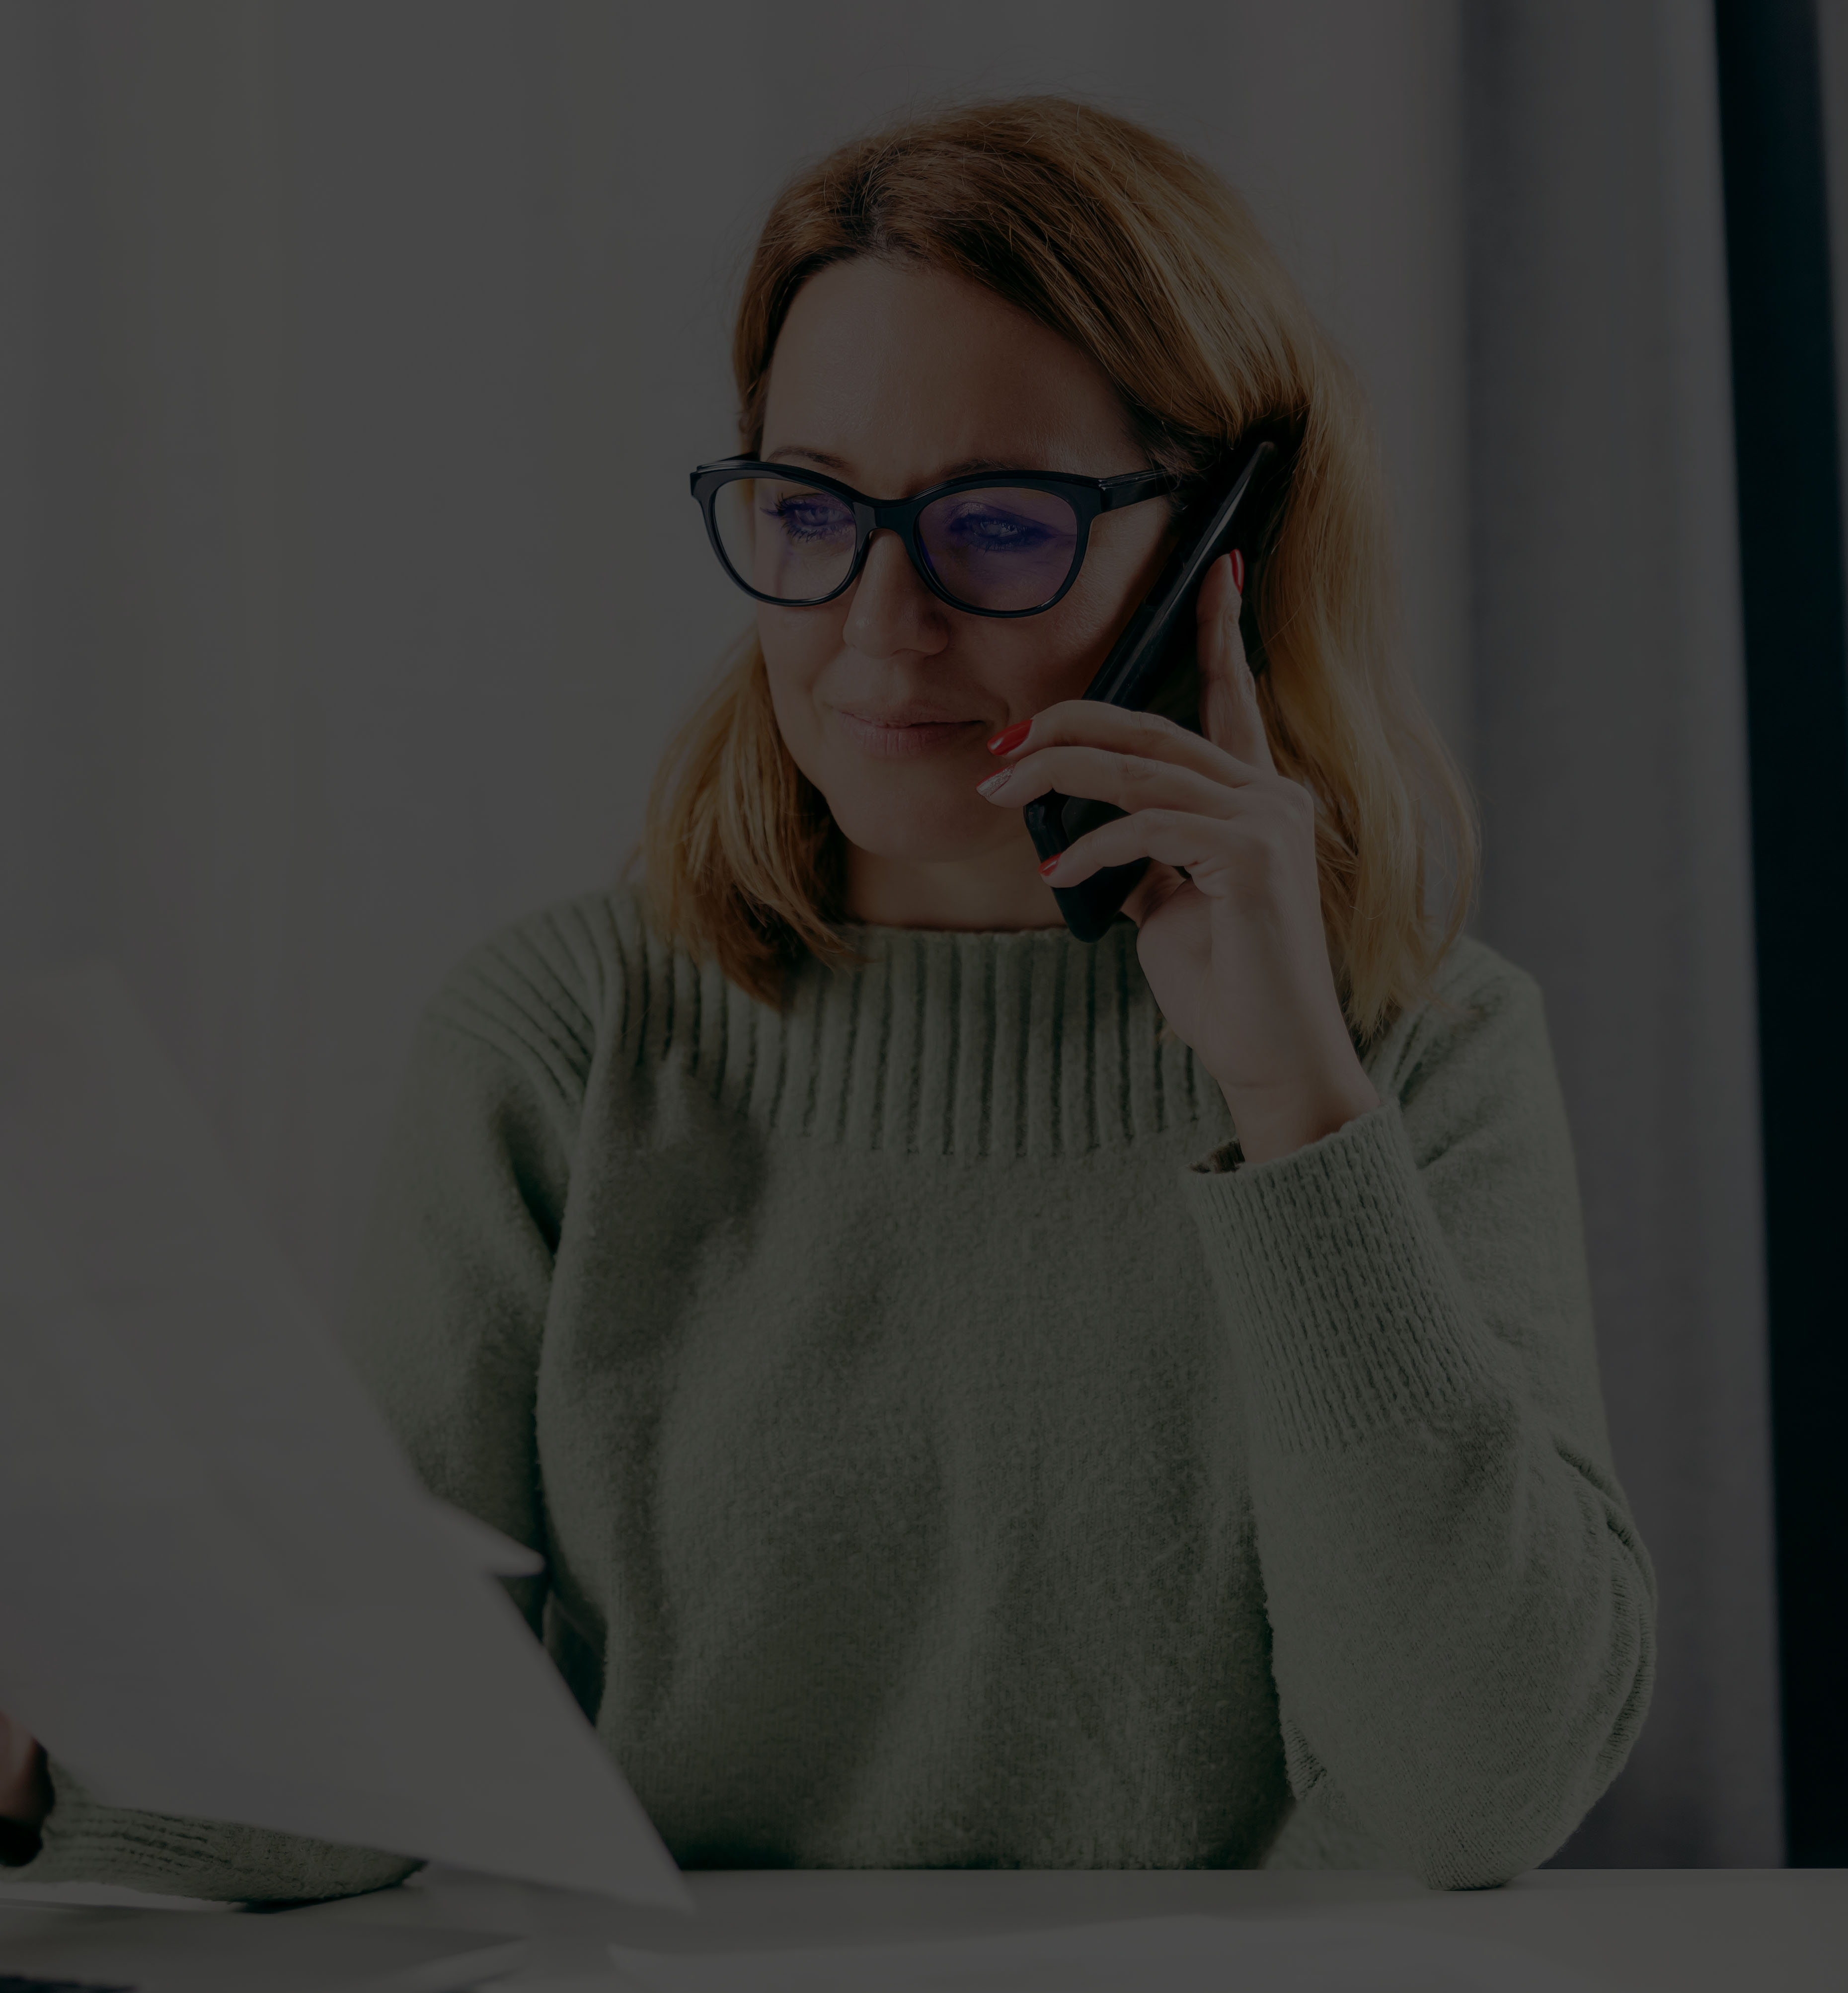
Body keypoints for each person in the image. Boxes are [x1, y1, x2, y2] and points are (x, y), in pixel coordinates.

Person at [1, 95, 1654, 1900]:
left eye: (998, 528)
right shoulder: (566, 1038)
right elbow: (356, 1768)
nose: (878, 627)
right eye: (811, 510)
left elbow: (1472, 1791)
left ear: (1220, 550)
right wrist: (51, 1739)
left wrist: (1292, 1103)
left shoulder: (1420, 1051)